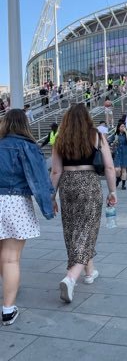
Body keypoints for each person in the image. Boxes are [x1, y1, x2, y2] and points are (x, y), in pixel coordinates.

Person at [51, 104, 117, 303]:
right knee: (88, 230)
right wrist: (113, 191)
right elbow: (109, 166)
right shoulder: (96, 135)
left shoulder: (60, 138)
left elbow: (55, 171)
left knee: (73, 230)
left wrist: (51, 196)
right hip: (89, 182)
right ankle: (71, 277)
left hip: (67, 185)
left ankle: (90, 271)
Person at [0, 109, 55, 325]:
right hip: (15, 202)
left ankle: (10, 288)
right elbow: (39, 178)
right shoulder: (27, 146)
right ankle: (8, 308)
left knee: (2, 255)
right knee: (11, 257)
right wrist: (49, 202)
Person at [110, 122, 127, 190]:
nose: (123, 127)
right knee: (117, 169)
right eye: (121, 126)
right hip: (118, 153)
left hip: (125, 153)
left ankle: (123, 184)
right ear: (118, 128)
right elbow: (110, 142)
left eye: (124, 126)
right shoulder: (115, 135)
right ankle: (118, 178)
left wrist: (126, 132)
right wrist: (113, 143)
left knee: (124, 170)